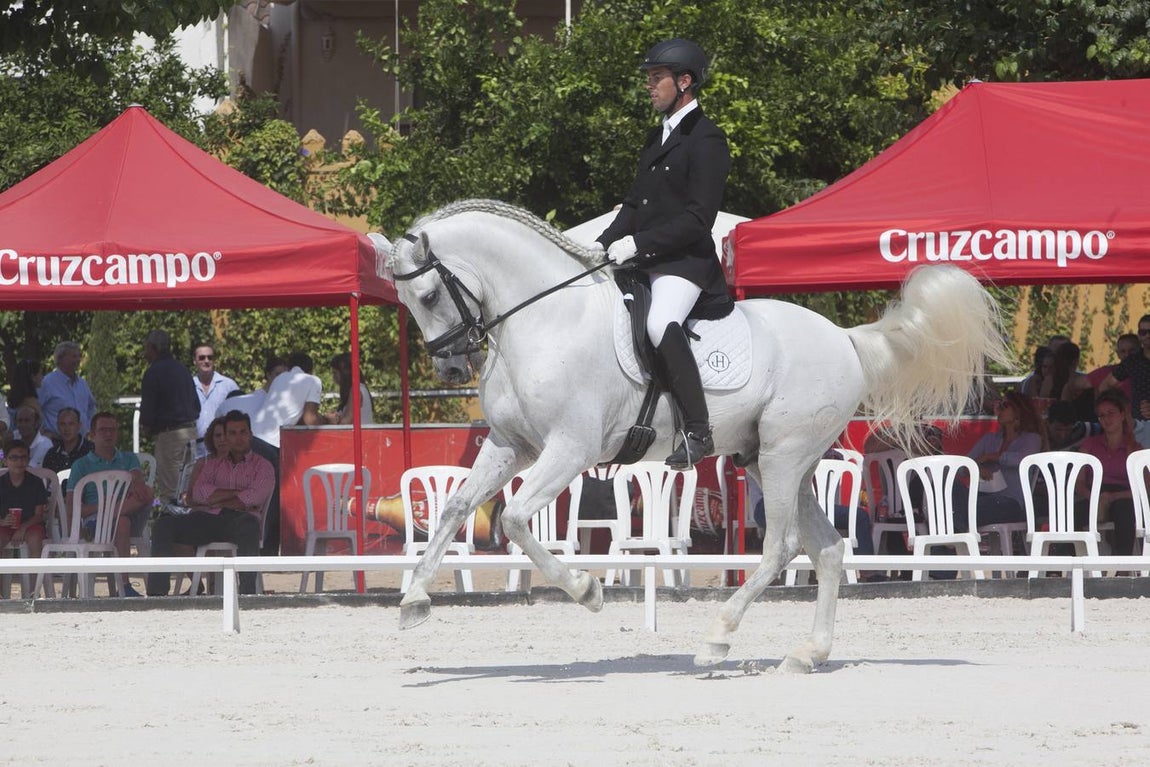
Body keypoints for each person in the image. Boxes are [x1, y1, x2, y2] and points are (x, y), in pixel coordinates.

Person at [593, 38, 732, 470]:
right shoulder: (658, 138)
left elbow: (698, 219)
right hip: (646, 261)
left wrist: (639, 244)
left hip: (685, 264)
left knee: (659, 321)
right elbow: (635, 205)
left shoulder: (707, 140)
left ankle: (697, 430)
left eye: (657, 79)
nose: (650, 87)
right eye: (649, 79)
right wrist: (599, 245)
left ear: (684, 82)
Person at [146, 410, 273, 596]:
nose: (238, 438)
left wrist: (217, 498)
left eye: (242, 432)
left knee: (250, 525)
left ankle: (248, 594)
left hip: (241, 520)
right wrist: (237, 495)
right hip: (208, 518)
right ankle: (157, 594)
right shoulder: (212, 465)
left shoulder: (263, 466)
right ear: (227, 437)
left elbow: (255, 497)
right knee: (163, 525)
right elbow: (197, 494)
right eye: (232, 433)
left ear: (250, 435)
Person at [68, 411, 155, 597]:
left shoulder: (129, 458)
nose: (108, 434)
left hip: (131, 516)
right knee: (122, 521)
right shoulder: (80, 465)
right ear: (92, 434)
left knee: (148, 492)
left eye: (112, 430)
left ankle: (114, 513)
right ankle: (124, 585)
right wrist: (103, 508)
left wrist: (135, 483)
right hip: (95, 522)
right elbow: (71, 509)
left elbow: (140, 487)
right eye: (103, 430)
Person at [251, 351, 323, 554]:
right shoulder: (313, 381)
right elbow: (310, 419)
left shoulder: (281, 378)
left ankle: (257, 548)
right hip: (272, 444)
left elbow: (290, 412)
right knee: (273, 502)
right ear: (310, 369)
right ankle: (267, 552)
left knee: (256, 497)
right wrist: (329, 420)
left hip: (253, 438)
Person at [967, 391, 1048, 527]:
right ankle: (958, 531)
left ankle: (955, 534)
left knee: (967, 508)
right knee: (953, 494)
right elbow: (964, 465)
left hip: (1012, 503)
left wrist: (990, 456)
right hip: (984, 498)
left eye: (1004, 405)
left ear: (1018, 410)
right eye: (998, 405)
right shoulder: (990, 439)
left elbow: (1022, 460)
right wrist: (977, 468)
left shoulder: (1031, 438)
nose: (998, 409)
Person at [1075, 390, 1140, 557]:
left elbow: (1145, 487)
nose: (1106, 419)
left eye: (1111, 413)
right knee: (1072, 513)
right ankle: (1065, 567)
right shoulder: (1090, 443)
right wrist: (1094, 496)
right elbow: (1079, 481)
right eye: (1101, 415)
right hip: (1094, 493)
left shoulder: (1133, 446)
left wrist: (1113, 497)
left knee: (1125, 511)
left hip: (1123, 495)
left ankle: (1122, 566)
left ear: (1122, 415)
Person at [139, 330, 200, 502]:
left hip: (171, 436)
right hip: (190, 433)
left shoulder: (154, 372)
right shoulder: (182, 369)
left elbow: (148, 411)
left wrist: (148, 428)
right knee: (188, 488)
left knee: (172, 491)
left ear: (152, 348)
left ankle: (175, 527)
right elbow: (197, 405)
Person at [38, 341, 97, 439]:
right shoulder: (47, 383)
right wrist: (43, 431)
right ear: (60, 359)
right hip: (55, 443)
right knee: (1, 455)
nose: (78, 360)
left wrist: (88, 428)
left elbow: (91, 407)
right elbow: (35, 409)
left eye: (79, 356)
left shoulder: (82, 383)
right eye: (74, 356)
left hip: (81, 444)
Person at [0, 440, 48, 560]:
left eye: (23, 458)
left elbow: (39, 515)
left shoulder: (36, 482)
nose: (19, 462)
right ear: (5, 460)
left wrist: (23, 528)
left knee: (35, 539)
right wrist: (2, 521)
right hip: (5, 525)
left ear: (28, 459)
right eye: (14, 458)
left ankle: (35, 578)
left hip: (31, 525)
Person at [191, 344, 238, 457]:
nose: (206, 361)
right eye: (201, 357)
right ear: (194, 361)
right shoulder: (187, 385)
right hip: (195, 452)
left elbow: (238, 416)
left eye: (210, 357)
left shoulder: (229, 385)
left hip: (224, 451)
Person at [1101, 313, 1150, 420]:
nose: (1147, 335)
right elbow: (1106, 385)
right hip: (1138, 426)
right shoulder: (1132, 360)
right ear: (1139, 335)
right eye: (1143, 332)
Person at [215, 356, 288, 422]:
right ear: (268, 375)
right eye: (278, 375)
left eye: (286, 376)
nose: (282, 379)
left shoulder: (286, 402)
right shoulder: (253, 399)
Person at [42, 406, 94, 485]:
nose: (67, 429)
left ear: (79, 426)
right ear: (57, 426)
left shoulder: (91, 451)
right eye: (63, 424)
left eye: (71, 424)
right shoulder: (52, 454)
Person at [324, 352, 373, 425]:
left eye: (335, 373)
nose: (333, 377)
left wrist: (329, 420)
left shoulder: (356, 390)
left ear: (345, 373)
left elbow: (346, 422)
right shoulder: (357, 388)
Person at [1086, 333, 1138, 400]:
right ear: (1118, 354)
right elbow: (1078, 383)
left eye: (1132, 351)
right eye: (1123, 351)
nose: (1127, 355)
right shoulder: (1106, 371)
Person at [6, 358, 43, 425]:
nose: (42, 377)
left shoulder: (14, 400)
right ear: (33, 377)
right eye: (40, 373)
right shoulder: (32, 403)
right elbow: (36, 429)